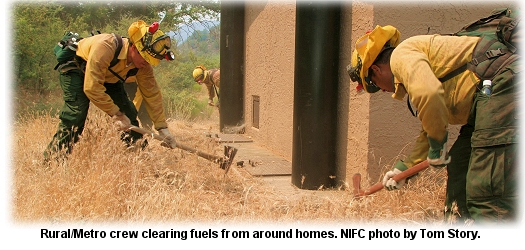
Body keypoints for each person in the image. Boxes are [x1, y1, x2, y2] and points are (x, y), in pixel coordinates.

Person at [348, 24, 518, 223]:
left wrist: (438, 146)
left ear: (376, 69)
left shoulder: (402, 56)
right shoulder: (411, 61)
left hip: (503, 87)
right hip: (485, 101)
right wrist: (403, 169)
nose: (382, 91)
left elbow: (429, 94)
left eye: (374, 85)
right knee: (460, 168)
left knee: (486, 189)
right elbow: (432, 122)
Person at [44, 20, 177, 161]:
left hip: (109, 76)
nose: (147, 62)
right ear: (134, 48)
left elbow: (152, 94)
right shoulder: (106, 46)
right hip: (77, 68)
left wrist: (162, 128)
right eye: (146, 58)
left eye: (151, 60)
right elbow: (92, 88)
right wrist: (117, 114)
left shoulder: (143, 66)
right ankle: (52, 161)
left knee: (129, 113)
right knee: (75, 115)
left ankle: (140, 159)